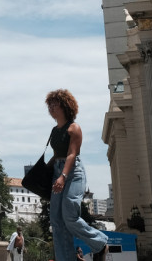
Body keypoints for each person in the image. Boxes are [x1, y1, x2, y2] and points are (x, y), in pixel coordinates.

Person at [45, 89, 108, 261]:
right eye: (49, 104)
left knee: (69, 216)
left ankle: (100, 243)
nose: (50, 107)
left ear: (65, 106)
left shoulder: (74, 128)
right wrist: (45, 170)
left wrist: (62, 177)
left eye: (54, 104)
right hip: (58, 171)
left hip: (73, 173)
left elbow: (72, 154)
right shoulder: (54, 130)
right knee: (56, 221)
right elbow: (57, 154)